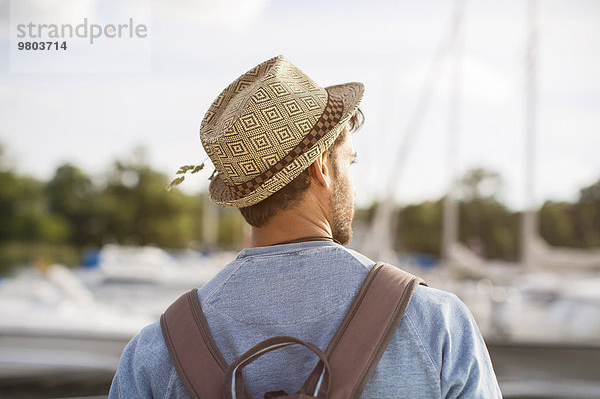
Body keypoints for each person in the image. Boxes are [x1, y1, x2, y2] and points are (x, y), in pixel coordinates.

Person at [109, 55, 502, 398]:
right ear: (321, 168)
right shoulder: (434, 323)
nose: (353, 180)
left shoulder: (156, 352)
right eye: (351, 161)